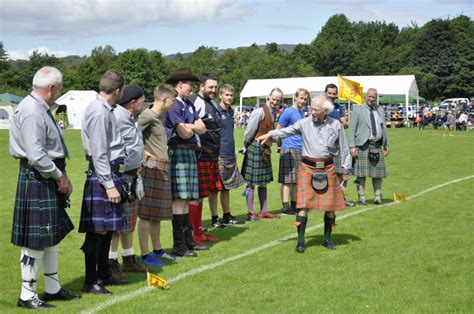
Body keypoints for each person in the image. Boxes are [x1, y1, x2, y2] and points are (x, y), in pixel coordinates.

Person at [10, 66, 79, 308]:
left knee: (50, 236)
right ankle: (27, 295)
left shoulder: (39, 108)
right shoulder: (32, 111)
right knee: (35, 239)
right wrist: (59, 176)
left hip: (43, 176)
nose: (58, 95)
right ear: (51, 88)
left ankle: (53, 287)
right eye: (59, 90)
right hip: (38, 176)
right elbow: (37, 155)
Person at [256, 96, 350, 252]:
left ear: (324, 110)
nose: (311, 112)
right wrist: (270, 134)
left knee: (330, 208)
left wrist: (346, 172)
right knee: (302, 207)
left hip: (328, 168)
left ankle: (327, 239)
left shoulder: (336, 125)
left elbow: (344, 148)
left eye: (315, 109)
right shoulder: (304, 123)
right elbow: (286, 131)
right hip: (308, 168)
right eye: (310, 108)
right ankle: (300, 242)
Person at [79, 70, 128, 295]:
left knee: (107, 229)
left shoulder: (104, 109)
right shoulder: (99, 112)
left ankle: (103, 275)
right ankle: (91, 281)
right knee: (97, 231)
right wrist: (108, 184)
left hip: (107, 172)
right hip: (103, 174)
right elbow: (99, 152)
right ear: (117, 90)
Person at [164, 67, 208, 257]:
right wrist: (193, 127)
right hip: (178, 152)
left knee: (186, 199)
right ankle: (179, 245)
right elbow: (183, 133)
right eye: (190, 84)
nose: (192, 87)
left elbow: (203, 128)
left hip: (188, 153)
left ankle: (187, 241)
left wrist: (191, 127)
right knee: (179, 200)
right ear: (179, 84)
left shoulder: (188, 104)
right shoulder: (173, 104)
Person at [108, 84, 147, 279]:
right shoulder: (116, 117)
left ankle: (129, 258)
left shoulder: (133, 119)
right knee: (117, 223)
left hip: (132, 174)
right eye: (142, 101)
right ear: (133, 103)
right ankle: (111, 262)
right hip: (120, 175)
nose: (144, 104)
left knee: (129, 221)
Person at [137, 84, 178, 266]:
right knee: (146, 214)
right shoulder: (147, 115)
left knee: (156, 214)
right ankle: (145, 255)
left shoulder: (159, 117)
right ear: (163, 99)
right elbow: (128, 135)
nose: (174, 103)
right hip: (151, 168)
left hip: (161, 166)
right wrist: (144, 154)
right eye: (173, 100)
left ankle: (157, 250)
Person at [188, 74, 226, 246]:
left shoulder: (213, 103)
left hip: (212, 155)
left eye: (215, 87)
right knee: (196, 196)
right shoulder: (195, 101)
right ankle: (191, 234)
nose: (213, 90)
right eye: (210, 87)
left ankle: (198, 231)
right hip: (200, 155)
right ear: (201, 86)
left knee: (202, 195)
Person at [241, 88, 283, 221]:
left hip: (265, 149)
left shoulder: (273, 112)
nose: (275, 102)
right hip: (255, 147)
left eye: (278, 100)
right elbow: (249, 132)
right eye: (273, 99)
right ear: (268, 97)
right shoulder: (259, 112)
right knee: (251, 183)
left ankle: (264, 210)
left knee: (263, 182)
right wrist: (246, 146)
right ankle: (250, 212)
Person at [349, 88, 389, 206]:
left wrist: (386, 143)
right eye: (370, 97)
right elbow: (352, 130)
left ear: (376, 97)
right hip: (362, 145)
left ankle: (377, 197)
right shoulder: (357, 110)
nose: (371, 99)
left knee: (377, 174)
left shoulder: (380, 109)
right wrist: (352, 146)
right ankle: (361, 198)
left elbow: (384, 128)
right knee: (361, 174)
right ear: (366, 96)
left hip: (377, 144)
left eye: (374, 97)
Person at [215, 84, 246, 225]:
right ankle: (215, 218)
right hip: (218, 154)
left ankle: (227, 215)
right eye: (226, 95)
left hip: (229, 154)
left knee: (227, 188)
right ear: (220, 95)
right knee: (216, 188)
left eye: (231, 95)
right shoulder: (215, 111)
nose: (229, 97)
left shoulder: (231, 112)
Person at [277, 88, 309, 215]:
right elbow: (279, 129)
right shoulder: (288, 112)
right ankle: (285, 206)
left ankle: (294, 204)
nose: (303, 101)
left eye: (305, 99)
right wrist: (280, 145)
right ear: (295, 97)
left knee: (296, 179)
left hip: (299, 148)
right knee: (287, 180)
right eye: (301, 98)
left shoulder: (302, 113)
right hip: (289, 148)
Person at [325, 83, 355, 207]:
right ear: (325, 92)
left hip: (338, 144)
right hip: (325, 144)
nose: (332, 95)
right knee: (325, 173)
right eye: (330, 93)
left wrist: (345, 122)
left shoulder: (339, 107)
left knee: (340, 172)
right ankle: (327, 199)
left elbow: (344, 123)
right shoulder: (321, 106)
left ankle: (340, 198)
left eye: (334, 93)